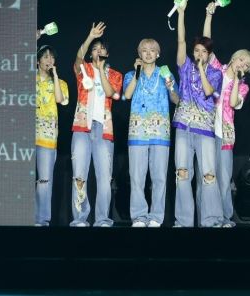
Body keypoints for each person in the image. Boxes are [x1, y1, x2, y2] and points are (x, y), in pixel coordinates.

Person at [171, 0, 224, 227]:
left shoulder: (215, 73)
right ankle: (183, 221)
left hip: (205, 130)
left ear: (209, 54)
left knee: (208, 175)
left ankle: (210, 220)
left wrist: (202, 68)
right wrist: (181, 13)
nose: (199, 53)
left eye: (204, 51)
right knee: (182, 173)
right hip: (184, 127)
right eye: (196, 50)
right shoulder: (184, 66)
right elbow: (181, 40)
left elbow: (208, 91)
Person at [203, 1, 250, 227]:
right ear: (234, 57)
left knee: (224, 177)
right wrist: (209, 15)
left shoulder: (243, 87)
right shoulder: (217, 69)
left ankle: (225, 217)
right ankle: (208, 218)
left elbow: (233, 103)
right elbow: (205, 44)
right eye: (242, 59)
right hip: (205, 127)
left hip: (225, 133)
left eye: (247, 65)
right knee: (208, 176)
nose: (242, 64)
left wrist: (237, 81)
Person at [122, 38, 180, 227]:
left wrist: (170, 85)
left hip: (160, 132)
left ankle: (156, 217)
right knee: (137, 177)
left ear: (158, 54)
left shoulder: (165, 73)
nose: (148, 53)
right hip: (137, 132)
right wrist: (137, 74)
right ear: (139, 54)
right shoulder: (131, 74)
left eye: (152, 50)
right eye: (144, 50)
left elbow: (176, 100)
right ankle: (139, 216)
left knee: (159, 177)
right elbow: (127, 95)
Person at [70, 22, 123, 227]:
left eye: (102, 49)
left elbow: (111, 93)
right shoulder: (83, 70)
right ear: (90, 53)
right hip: (82, 127)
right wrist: (90, 37)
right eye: (94, 49)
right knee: (79, 176)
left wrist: (101, 71)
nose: (98, 51)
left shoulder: (115, 75)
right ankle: (80, 218)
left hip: (103, 129)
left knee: (104, 177)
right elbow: (78, 58)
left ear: (107, 53)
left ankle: (102, 219)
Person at [34, 44, 68, 226]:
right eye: (45, 56)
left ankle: (41, 220)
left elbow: (60, 100)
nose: (49, 60)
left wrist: (54, 76)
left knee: (44, 181)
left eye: (52, 57)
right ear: (37, 60)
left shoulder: (60, 83)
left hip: (47, 137)